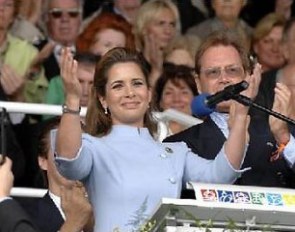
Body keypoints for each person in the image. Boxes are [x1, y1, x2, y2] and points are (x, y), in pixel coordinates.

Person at [51, 46, 258, 231]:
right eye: (118, 86)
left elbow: (221, 175)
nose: (130, 92)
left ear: (149, 95)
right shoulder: (94, 147)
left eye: (137, 83)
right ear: (103, 99)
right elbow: (69, 162)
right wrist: (72, 98)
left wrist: (239, 118)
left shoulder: (175, 152)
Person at [164, 30, 295, 192]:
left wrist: (284, 138)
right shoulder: (179, 144)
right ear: (198, 83)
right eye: (213, 72)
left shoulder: (280, 130)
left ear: (248, 76)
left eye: (232, 70)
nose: (224, 79)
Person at [17, 117, 94, 232]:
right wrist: (73, 224)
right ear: (43, 161)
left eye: (79, 151)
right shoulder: (24, 217)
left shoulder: (110, 210)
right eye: (62, 150)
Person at [0, 156, 94, 232]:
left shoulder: (103, 210)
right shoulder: (25, 215)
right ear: (43, 160)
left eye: (82, 153)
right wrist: (73, 224)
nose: (73, 161)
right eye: (62, 154)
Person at [133, 0, 180, 88]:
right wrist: (156, 71)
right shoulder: (132, 66)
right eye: (161, 23)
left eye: (172, 24)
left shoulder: (174, 69)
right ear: (143, 28)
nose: (168, 31)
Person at [153, 63, 198, 141]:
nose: (176, 99)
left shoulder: (205, 135)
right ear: (160, 102)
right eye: (169, 93)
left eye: (184, 92)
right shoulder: (151, 134)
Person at [186, 0, 252, 49]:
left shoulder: (254, 36)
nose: (227, 1)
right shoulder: (195, 34)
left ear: (244, 1)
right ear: (212, 3)